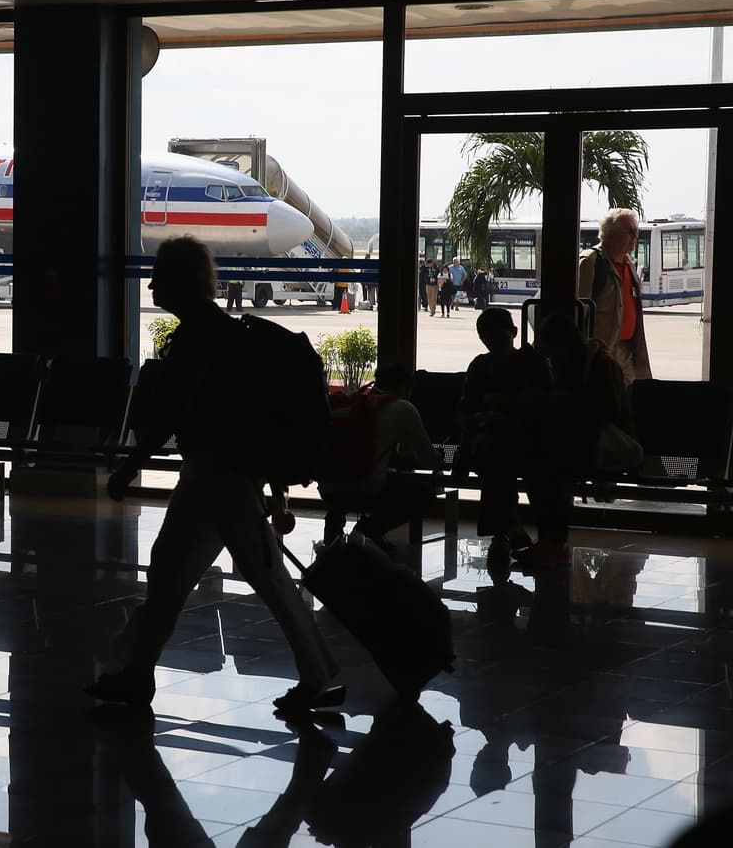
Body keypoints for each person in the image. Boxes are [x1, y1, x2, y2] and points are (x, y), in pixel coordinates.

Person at [87, 235, 343, 716]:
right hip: (222, 473)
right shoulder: (230, 332)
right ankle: (136, 672)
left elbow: (173, 414)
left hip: (216, 473)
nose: (151, 283)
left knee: (256, 576)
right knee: (174, 573)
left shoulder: (196, 337)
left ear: (181, 280)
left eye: (160, 274)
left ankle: (317, 677)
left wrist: (129, 466)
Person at [519, 313, 634, 568]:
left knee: (543, 469)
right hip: (581, 445)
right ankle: (551, 541)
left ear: (564, 344)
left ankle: (552, 540)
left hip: (600, 448)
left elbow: (607, 412)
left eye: (552, 351)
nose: (551, 358)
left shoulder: (600, 366)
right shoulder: (579, 365)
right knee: (540, 464)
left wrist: (557, 401)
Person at [457, 307, 553, 565]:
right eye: (489, 339)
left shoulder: (481, 367)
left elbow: (467, 410)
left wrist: (492, 415)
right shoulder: (533, 364)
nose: (493, 344)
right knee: (497, 456)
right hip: (522, 443)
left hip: (506, 442)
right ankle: (508, 530)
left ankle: (505, 530)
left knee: (494, 460)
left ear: (512, 333)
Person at [318, 362, 443, 553]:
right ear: (404, 386)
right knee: (423, 494)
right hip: (366, 488)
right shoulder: (402, 408)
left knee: (348, 486)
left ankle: (335, 520)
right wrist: (439, 456)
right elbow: (429, 460)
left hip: (327, 488)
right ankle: (366, 532)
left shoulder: (354, 403)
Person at [577, 208, 652, 385]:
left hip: (626, 351)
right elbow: (578, 313)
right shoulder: (591, 262)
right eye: (630, 232)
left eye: (636, 231)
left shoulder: (629, 266)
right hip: (600, 355)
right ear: (610, 235)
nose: (635, 237)